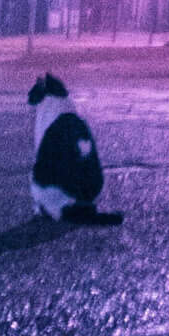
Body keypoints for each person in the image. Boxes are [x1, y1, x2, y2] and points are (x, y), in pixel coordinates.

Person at [27, 73, 115, 224]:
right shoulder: (68, 113)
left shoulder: (51, 114)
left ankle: (54, 206)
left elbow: (45, 158)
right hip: (83, 192)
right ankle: (70, 205)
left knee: (48, 162)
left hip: (56, 194)